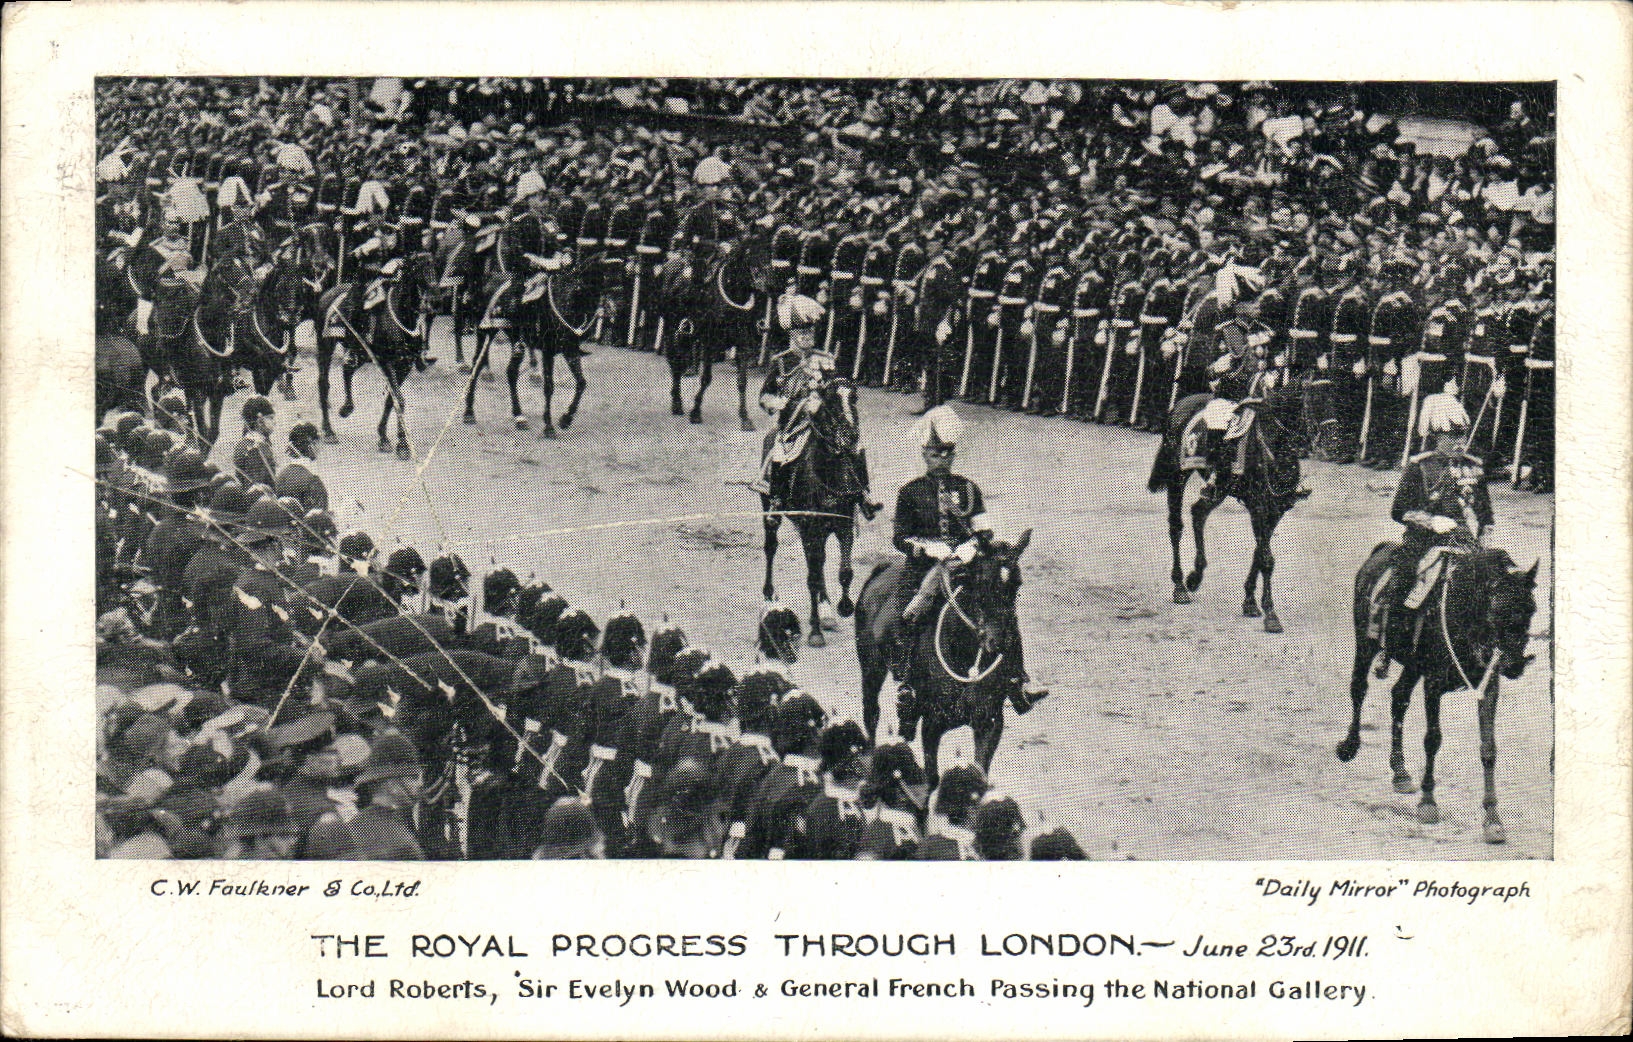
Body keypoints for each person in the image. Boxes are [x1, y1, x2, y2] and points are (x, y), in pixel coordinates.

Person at [887, 406, 1046, 721]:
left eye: (947, 454)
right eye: (936, 454)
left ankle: (1019, 682)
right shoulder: (910, 492)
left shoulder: (969, 489)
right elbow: (900, 538)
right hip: (924, 568)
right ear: (925, 455)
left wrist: (971, 546)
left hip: (965, 563)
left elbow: (983, 529)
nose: (942, 460)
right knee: (907, 612)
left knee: (1002, 611)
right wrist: (929, 550)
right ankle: (907, 684)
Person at [1370, 392, 1495, 676]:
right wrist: (1431, 520)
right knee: (1402, 580)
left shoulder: (1474, 468)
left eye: (1462, 435)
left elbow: (1485, 514)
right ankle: (1388, 647)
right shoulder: (1420, 467)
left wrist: (1482, 538)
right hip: (1426, 543)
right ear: (1435, 437)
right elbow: (1399, 510)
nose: (1459, 442)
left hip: (1466, 544)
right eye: (1452, 436)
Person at [232, 395, 278, 488]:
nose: (275, 422)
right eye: (271, 418)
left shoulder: (243, 443)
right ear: (260, 421)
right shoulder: (257, 449)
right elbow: (257, 490)